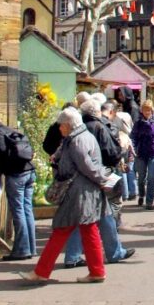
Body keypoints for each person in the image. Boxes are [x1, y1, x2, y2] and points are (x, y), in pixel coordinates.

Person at [20, 108, 111, 283]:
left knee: (61, 229)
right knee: (88, 229)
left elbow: (87, 166)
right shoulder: (80, 136)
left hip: (78, 192)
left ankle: (41, 272)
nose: (60, 129)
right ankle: (97, 271)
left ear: (69, 125)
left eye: (61, 125)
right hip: (84, 191)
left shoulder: (77, 141)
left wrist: (102, 179)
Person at [63, 99, 134, 268]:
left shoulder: (79, 130)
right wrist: (119, 154)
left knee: (101, 215)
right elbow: (108, 153)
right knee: (93, 216)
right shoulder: (98, 127)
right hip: (97, 176)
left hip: (89, 177)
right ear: (96, 112)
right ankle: (79, 256)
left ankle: (112, 251)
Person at [0, 118, 37, 261]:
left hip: (16, 174)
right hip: (29, 171)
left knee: (18, 210)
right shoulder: (10, 130)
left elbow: (0, 149)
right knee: (27, 209)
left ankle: (22, 250)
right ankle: (31, 248)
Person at [131, 99, 154, 210]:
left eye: (149, 110)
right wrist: (133, 149)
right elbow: (133, 137)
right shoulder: (138, 123)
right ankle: (141, 194)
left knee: (151, 177)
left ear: (152, 110)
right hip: (141, 153)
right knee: (141, 178)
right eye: (145, 110)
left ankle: (149, 202)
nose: (147, 112)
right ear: (141, 111)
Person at [115, 111, 137, 202]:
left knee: (122, 171)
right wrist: (133, 153)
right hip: (128, 148)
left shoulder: (117, 128)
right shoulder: (127, 118)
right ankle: (133, 191)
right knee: (130, 171)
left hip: (121, 148)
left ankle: (125, 194)